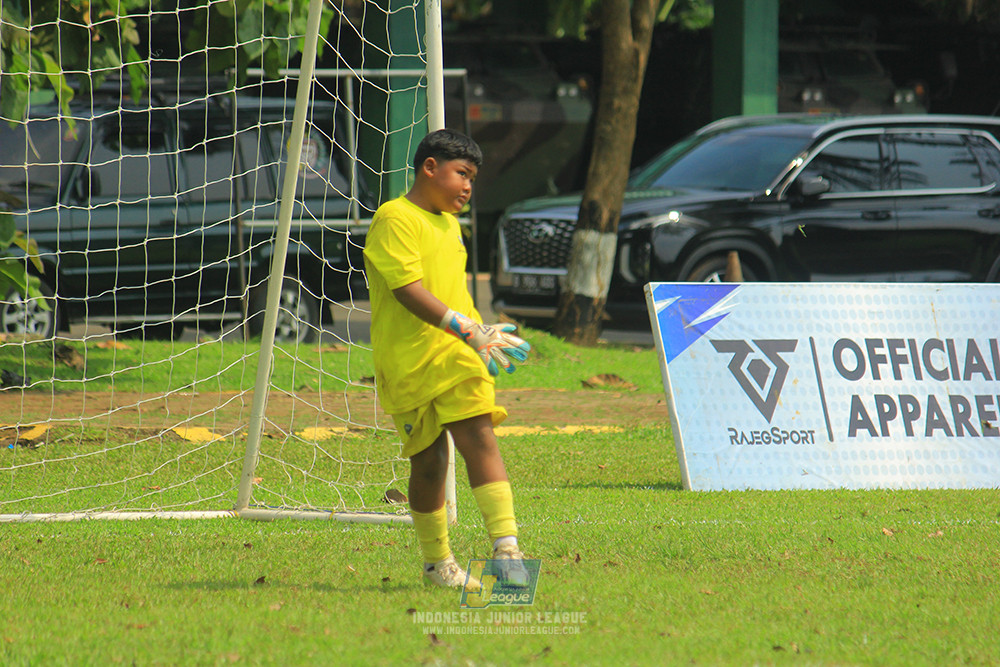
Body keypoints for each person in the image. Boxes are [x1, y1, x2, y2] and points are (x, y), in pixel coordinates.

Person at [363, 129, 531, 589]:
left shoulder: (452, 225)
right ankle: (438, 564)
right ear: (430, 167)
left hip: (458, 353)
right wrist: (468, 329)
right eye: (462, 174)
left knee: (480, 435)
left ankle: (507, 548)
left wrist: (481, 331)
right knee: (431, 461)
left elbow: (453, 292)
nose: (468, 187)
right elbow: (408, 290)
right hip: (408, 363)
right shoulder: (394, 217)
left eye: (473, 178)